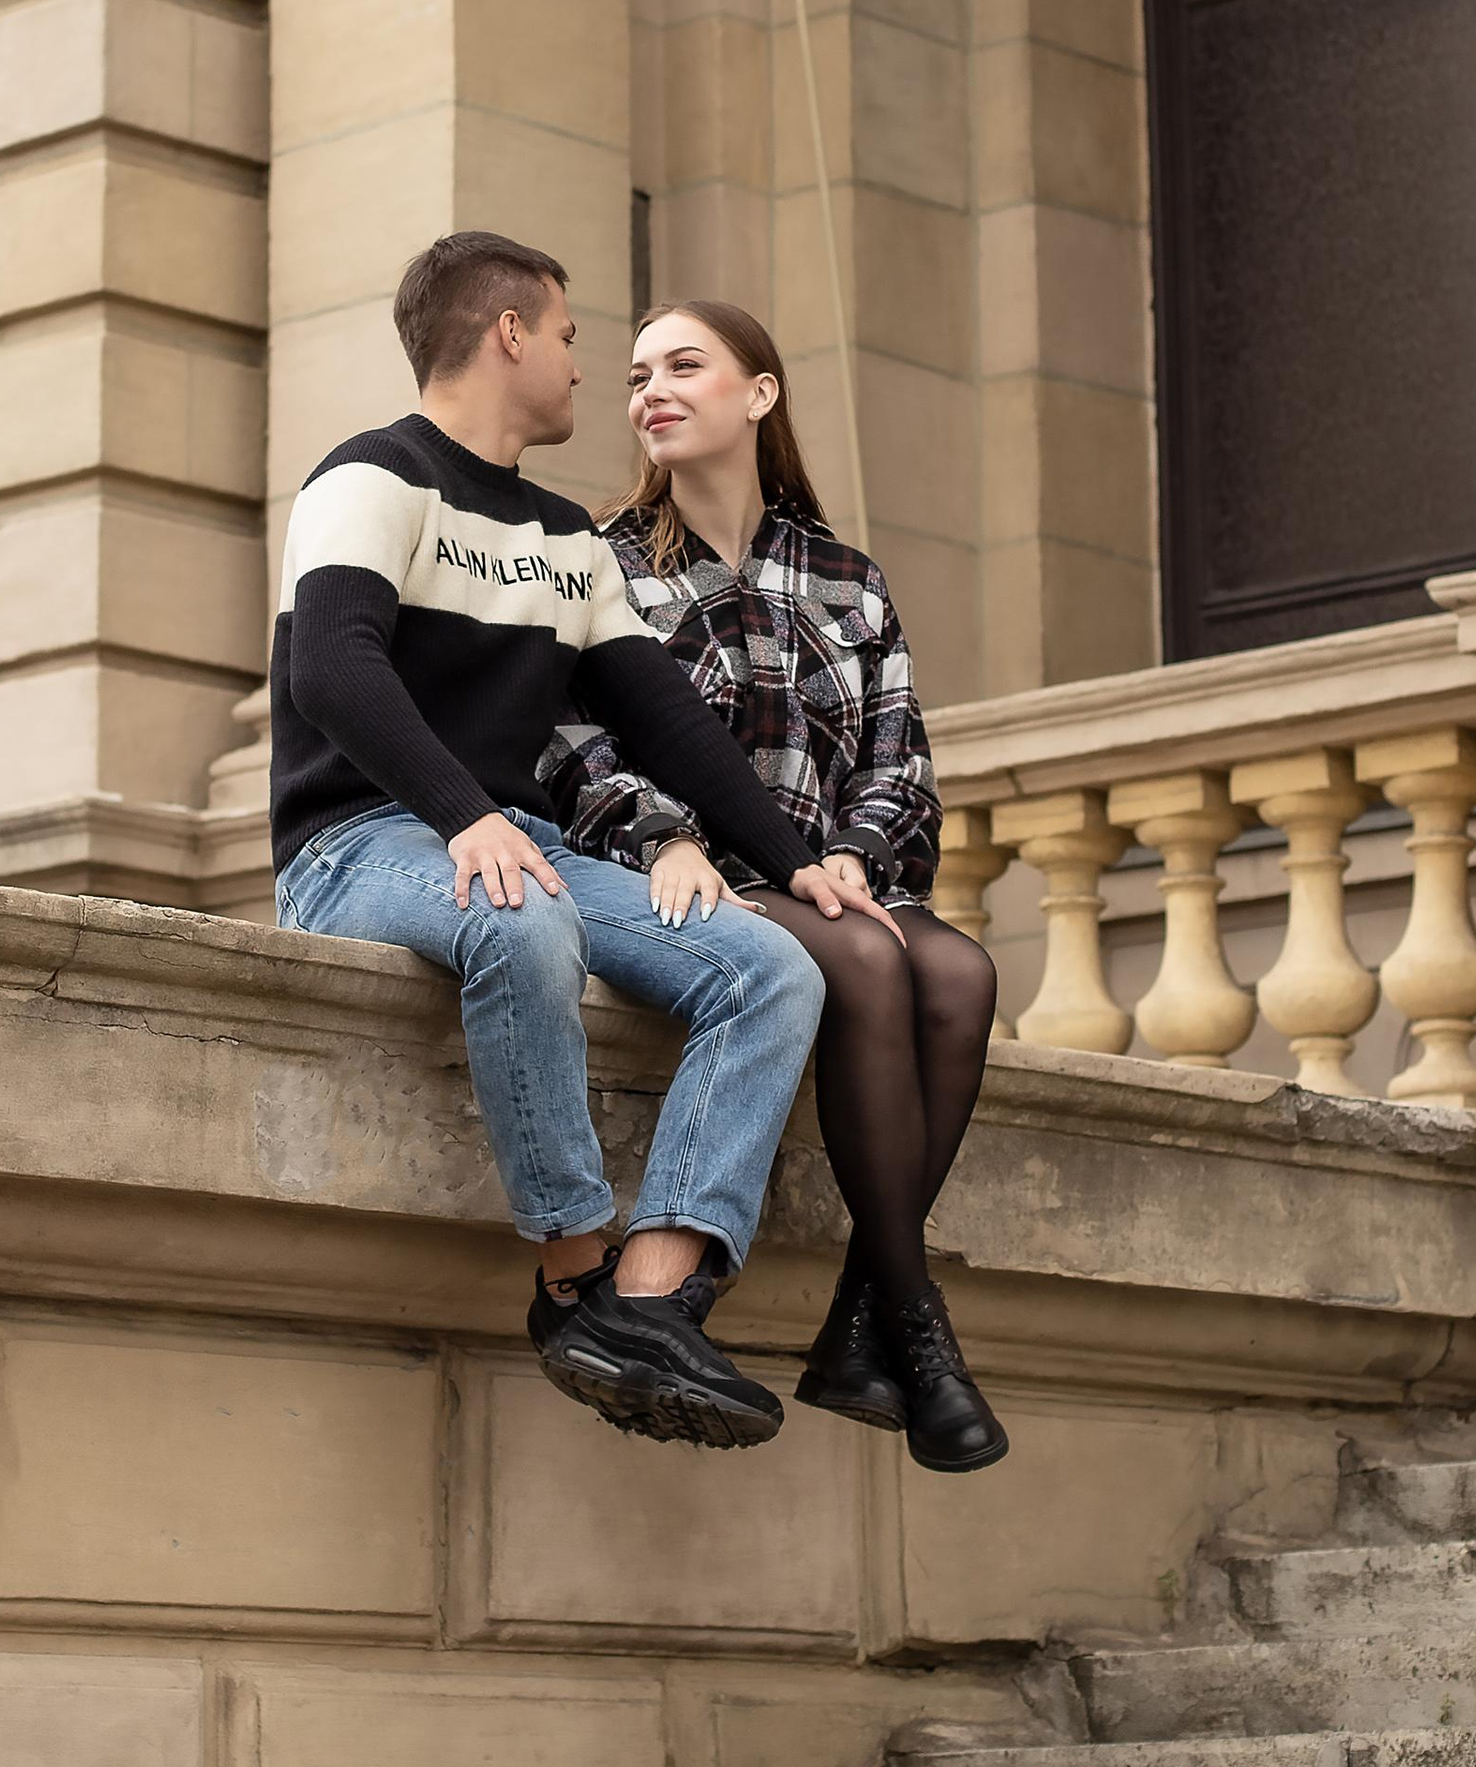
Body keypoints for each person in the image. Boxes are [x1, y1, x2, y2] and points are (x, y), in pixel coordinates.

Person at [270, 230, 902, 1456]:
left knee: (770, 966)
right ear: (508, 332)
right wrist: (467, 815)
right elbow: (333, 672)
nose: (581, 368)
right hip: (356, 846)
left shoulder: (565, 538)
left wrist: (796, 856)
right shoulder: (366, 477)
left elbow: (662, 717)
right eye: (568, 338)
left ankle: (653, 1299)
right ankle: (571, 1275)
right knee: (526, 916)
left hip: (502, 842)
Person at [544, 300, 1007, 1473]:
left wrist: (855, 850)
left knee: (957, 969)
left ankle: (872, 1311)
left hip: (837, 875)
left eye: (683, 366)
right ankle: (908, 1330)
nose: (649, 388)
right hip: (690, 884)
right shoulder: (597, 561)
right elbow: (563, 740)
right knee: (861, 958)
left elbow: (902, 755)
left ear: (758, 393)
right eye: (637, 372)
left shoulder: (848, 578)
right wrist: (661, 840)